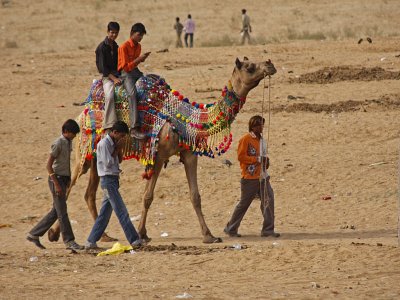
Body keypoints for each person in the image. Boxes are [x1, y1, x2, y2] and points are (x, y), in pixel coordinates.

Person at [85, 121, 146, 249]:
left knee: (104, 215)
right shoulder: (104, 144)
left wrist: (119, 149)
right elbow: (108, 163)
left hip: (113, 179)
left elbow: (119, 160)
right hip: (107, 180)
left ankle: (91, 241)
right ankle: (134, 240)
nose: (122, 138)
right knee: (121, 211)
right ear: (114, 132)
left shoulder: (113, 143)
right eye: (121, 135)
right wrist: (117, 148)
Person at [26, 119, 84, 250]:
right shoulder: (58, 143)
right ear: (66, 132)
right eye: (73, 134)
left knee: (56, 211)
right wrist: (57, 184)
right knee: (62, 212)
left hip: (63, 179)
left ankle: (33, 234)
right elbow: (48, 166)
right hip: (56, 179)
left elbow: (65, 163)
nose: (74, 136)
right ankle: (69, 241)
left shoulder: (68, 142)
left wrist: (68, 179)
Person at [224, 115, 280, 238]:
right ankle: (231, 228)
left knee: (269, 200)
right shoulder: (246, 139)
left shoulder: (262, 141)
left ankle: (268, 230)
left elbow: (263, 157)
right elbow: (241, 157)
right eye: (259, 125)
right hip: (249, 178)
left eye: (262, 125)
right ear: (253, 126)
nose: (262, 127)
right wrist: (257, 159)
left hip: (263, 176)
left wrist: (266, 161)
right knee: (244, 204)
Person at [118, 23, 150, 140]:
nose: (140, 37)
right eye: (139, 35)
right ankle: (134, 128)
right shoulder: (124, 47)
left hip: (135, 70)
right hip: (125, 73)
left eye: (142, 36)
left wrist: (141, 59)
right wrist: (139, 59)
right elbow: (126, 68)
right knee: (132, 94)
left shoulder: (138, 46)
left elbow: (134, 65)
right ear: (132, 34)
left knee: (151, 83)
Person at [95, 21, 122, 131]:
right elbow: (102, 69)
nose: (114, 35)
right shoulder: (101, 47)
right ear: (107, 32)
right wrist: (114, 79)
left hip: (118, 75)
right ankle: (109, 124)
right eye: (112, 32)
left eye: (116, 33)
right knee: (110, 96)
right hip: (108, 77)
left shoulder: (116, 46)